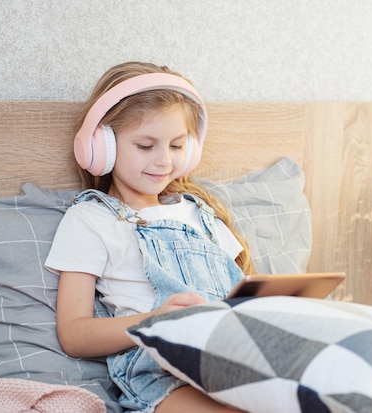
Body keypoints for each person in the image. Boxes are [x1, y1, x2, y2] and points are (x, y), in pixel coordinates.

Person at [45, 61, 253, 413]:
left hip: (233, 357)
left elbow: (240, 291)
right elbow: (74, 335)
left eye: (176, 145)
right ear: (102, 146)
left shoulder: (199, 213)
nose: (163, 161)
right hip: (161, 374)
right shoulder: (92, 218)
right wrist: (154, 321)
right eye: (145, 145)